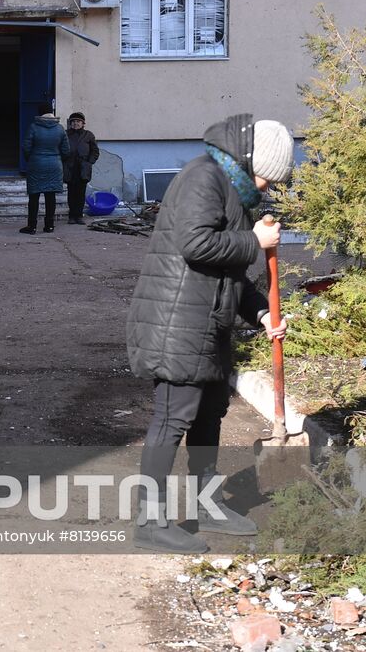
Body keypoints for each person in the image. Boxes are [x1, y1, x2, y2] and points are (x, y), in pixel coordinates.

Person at [125, 115, 294, 552]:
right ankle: (149, 521)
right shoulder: (204, 176)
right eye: (268, 180)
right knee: (172, 417)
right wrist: (256, 241)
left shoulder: (234, 189)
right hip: (177, 321)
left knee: (209, 414)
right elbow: (196, 244)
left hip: (208, 322)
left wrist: (260, 314)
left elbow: (230, 273)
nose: (267, 190)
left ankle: (207, 506)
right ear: (252, 159)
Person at [20, 104, 69, 234]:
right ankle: (49, 226)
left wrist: (31, 159)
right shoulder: (60, 129)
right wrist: (58, 159)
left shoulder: (34, 127)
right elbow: (66, 150)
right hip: (54, 165)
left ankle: (32, 226)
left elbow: (26, 147)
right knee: (50, 196)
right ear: (52, 112)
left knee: (34, 197)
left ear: (39, 113)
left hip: (36, 164)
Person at [63, 112, 101, 225]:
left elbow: (95, 151)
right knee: (71, 193)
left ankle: (79, 216)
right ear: (70, 123)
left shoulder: (88, 135)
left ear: (83, 123)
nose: (76, 123)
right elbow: (61, 149)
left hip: (83, 168)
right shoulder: (65, 134)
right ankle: (71, 216)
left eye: (78, 122)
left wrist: (89, 162)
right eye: (73, 122)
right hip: (70, 167)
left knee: (80, 192)